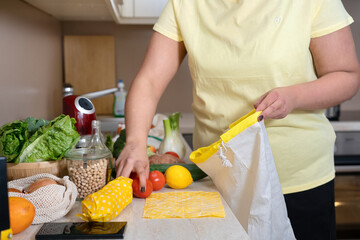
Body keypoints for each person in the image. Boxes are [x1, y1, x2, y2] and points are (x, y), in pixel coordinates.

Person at [116, 0, 360, 239]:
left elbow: (346, 75)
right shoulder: (185, 4)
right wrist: (135, 141)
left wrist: (293, 96)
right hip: (220, 181)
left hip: (298, 180)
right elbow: (149, 81)